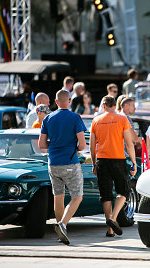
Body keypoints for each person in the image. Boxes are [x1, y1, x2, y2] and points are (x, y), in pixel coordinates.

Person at [38, 89, 87, 245]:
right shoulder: (75, 117)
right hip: (70, 162)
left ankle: (61, 232)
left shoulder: (48, 119)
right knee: (77, 197)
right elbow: (82, 144)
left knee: (58, 196)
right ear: (70, 100)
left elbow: (41, 145)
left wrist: (54, 145)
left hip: (53, 163)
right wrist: (75, 148)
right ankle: (62, 224)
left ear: (56, 101)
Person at [89, 96, 137, 237]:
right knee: (123, 191)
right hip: (118, 159)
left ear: (103, 106)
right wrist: (134, 162)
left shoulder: (96, 120)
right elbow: (129, 144)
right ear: (116, 106)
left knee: (106, 196)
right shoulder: (122, 120)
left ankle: (110, 230)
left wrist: (94, 163)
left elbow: (92, 147)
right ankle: (113, 218)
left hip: (102, 160)